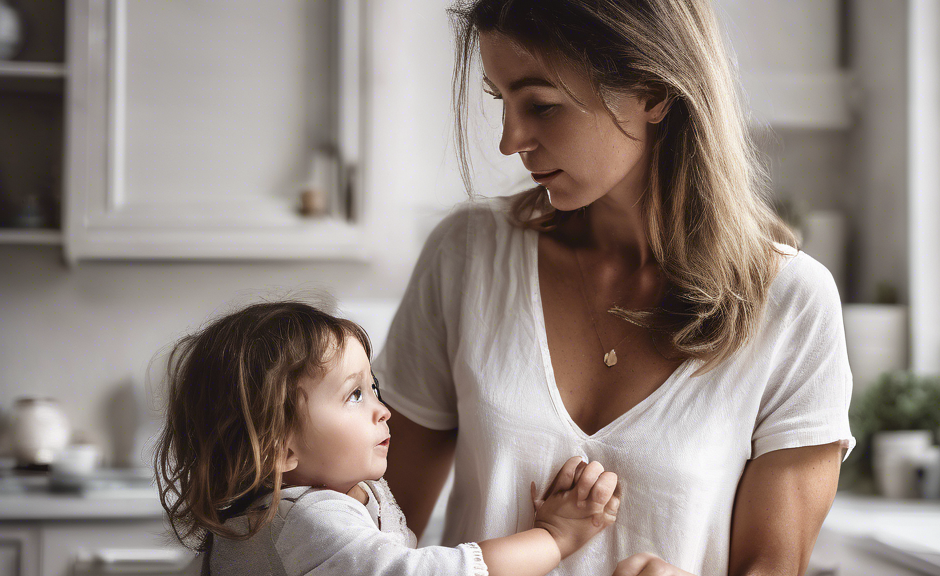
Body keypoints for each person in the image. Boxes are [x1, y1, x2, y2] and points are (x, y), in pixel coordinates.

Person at [374, 1, 856, 575]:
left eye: (542, 105)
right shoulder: (467, 257)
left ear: (651, 93)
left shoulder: (793, 304)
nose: (511, 140)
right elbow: (376, 531)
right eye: (502, 101)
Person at [153, 301, 621, 576]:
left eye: (372, 388)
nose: (383, 409)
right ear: (279, 447)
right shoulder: (307, 518)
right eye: (354, 395)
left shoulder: (353, 495)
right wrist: (555, 537)